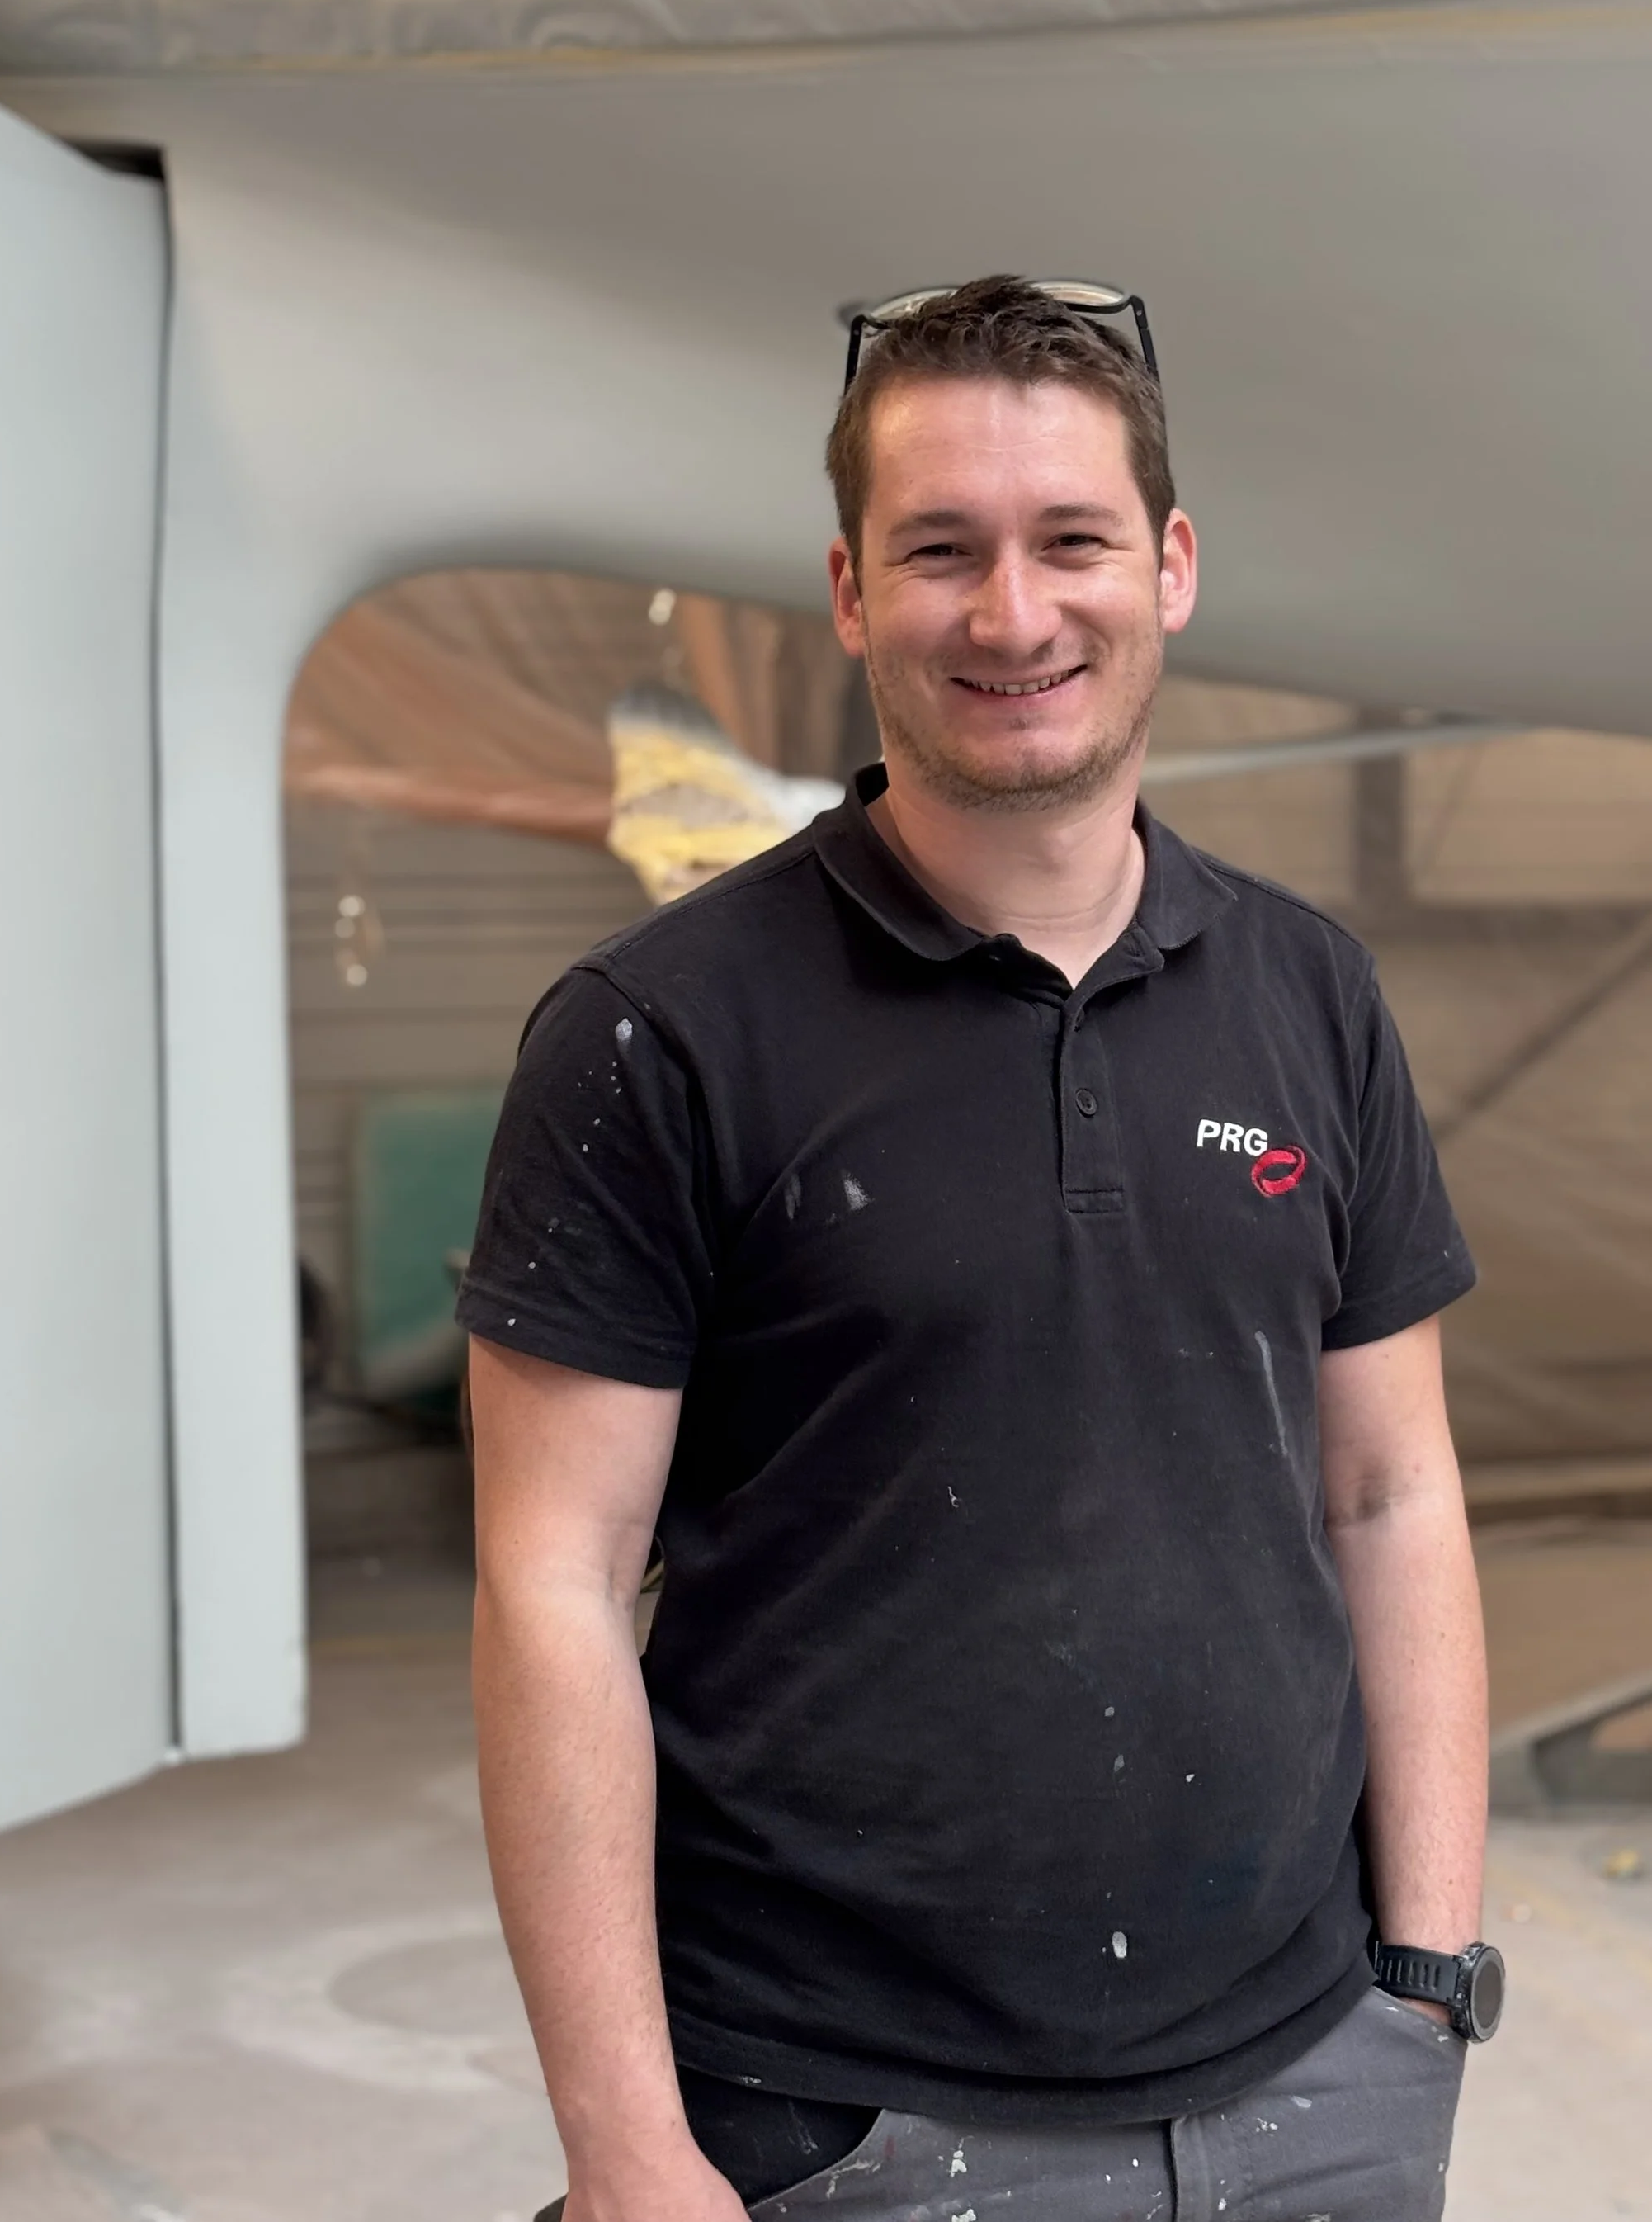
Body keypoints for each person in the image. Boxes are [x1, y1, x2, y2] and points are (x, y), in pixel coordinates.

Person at [460, 275, 1500, 2222]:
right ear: (851, 590)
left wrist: (1423, 1986)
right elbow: (553, 1583)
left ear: (1169, 565)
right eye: (940, 550)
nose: (1013, 615)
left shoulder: (1309, 992)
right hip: (839, 2113)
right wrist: (623, 2148)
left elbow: (1388, 1486)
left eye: (1071, 541)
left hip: (1310, 2084)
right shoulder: (656, 1031)